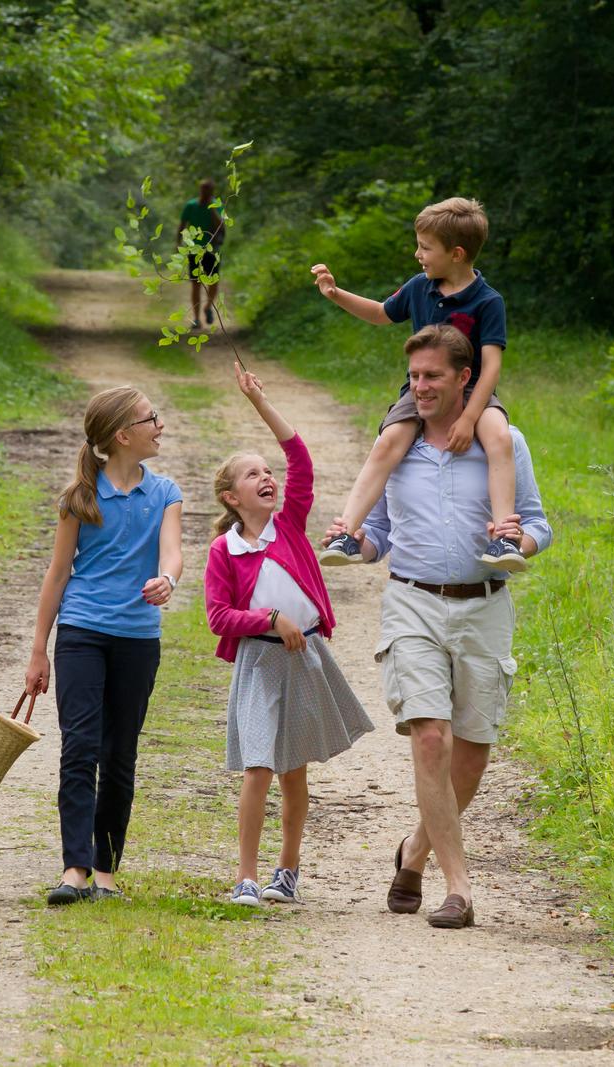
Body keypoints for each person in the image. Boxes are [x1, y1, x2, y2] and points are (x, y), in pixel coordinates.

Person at [322, 324, 552, 929]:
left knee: (471, 755)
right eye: (414, 377)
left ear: (464, 380)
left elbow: (539, 525)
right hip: (413, 602)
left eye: (433, 377)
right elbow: (380, 538)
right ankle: (460, 888)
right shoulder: (398, 446)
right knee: (430, 738)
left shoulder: (505, 443)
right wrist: (356, 542)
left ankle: (414, 853)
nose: (420, 388)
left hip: (485, 604)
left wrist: (519, 540)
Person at [204, 362, 373, 906]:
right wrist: (269, 621)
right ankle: (247, 877)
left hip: (305, 659)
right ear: (232, 497)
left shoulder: (292, 524)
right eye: (252, 475)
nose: (267, 477)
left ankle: (288, 871)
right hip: (260, 662)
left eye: (266, 471)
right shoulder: (224, 550)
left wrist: (259, 400)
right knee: (258, 766)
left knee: (293, 771)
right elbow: (218, 616)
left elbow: (299, 458)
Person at [25, 387, 183, 905]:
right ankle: (74, 869)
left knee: (119, 754)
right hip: (82, 634)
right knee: (80, 747)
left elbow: (173, 555)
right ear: (123, 435)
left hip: (138, 639)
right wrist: (38, 649)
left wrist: (167, 581)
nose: (159, 425)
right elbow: (56, 575)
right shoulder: (79, 499)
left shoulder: (165, 493)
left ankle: (106, 871)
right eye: (150, 418)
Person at [312, 196, 527, 573]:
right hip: (422, 390)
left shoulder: (488, 301)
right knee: (388, 443)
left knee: (500, 438)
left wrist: (469, 417)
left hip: (472, 389)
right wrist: (336, 294)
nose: (418, 254)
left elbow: (491, 366)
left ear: (457, 253)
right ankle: (347, 532)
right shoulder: (419, 287)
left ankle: (504, 537)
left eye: (426, 248)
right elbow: (381, 313)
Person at [177, 177, 226, 328]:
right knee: (196, 284)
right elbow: (182, 224)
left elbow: (221, 226)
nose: (205, 193)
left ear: (212, 191)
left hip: (212, 249)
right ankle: (196, 319)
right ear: (200, 190)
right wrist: (177, 242)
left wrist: (212, 210)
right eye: (203, 190)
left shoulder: (217, 205)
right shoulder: (190, 206)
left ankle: (208, 307)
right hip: (194, 249)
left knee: (214, 282)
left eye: (208, 191)